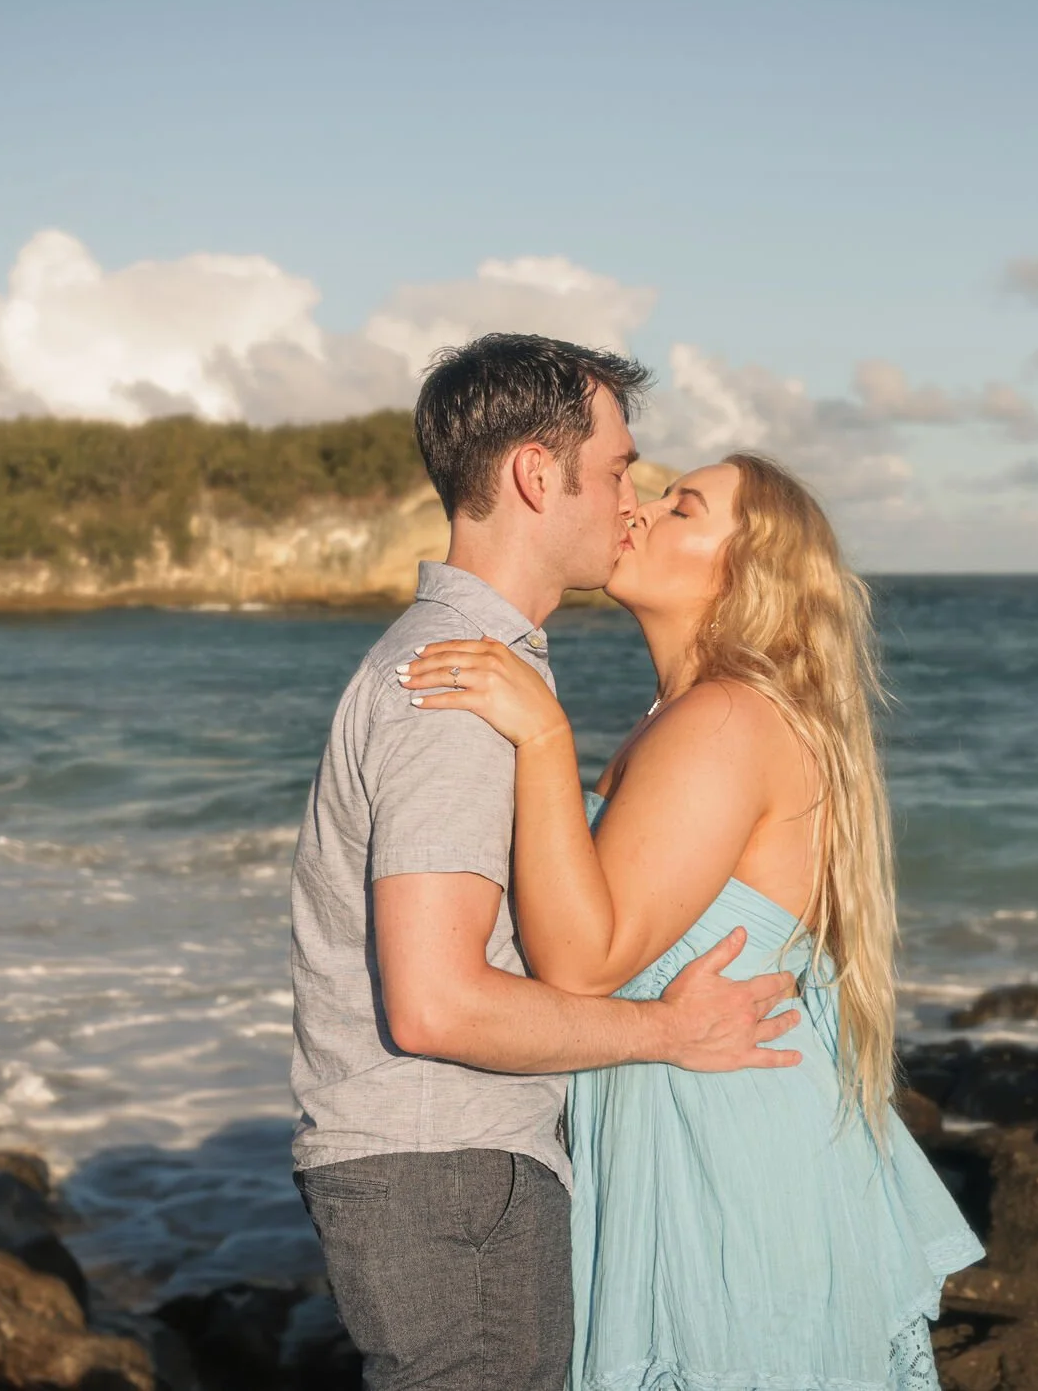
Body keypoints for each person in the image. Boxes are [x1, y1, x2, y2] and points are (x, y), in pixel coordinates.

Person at [399, 451, 984, 1390]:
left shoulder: (722, 721)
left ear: (743, 571)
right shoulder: (706, 715)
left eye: (683, 508)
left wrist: (545, 737)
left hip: (716, 1149)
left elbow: (584, 962)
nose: (641, 511)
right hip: (703, 1116)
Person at [288, 334, 805, 1391]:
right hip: (450, 1177)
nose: (630, 498)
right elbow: (437, 1004)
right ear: (536, 472)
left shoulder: (475, 670)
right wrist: (667, 1030)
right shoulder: (455, 688)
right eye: (617, 468)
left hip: (441, 1175)